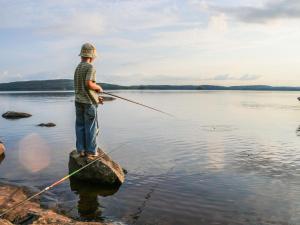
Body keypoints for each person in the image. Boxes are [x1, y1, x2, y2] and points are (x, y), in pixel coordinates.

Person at [74, 43, 104, 159]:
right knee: (91, 127)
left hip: (78, 101)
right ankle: (91, 151)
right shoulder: (90, 67)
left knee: (80, 126)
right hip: (88, 103)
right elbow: (89, 84)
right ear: (92, 56)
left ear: (82, 54)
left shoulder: (78, 67)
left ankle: (81, 150)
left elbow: (83, 87)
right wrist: (99, 88)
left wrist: (96, 96)